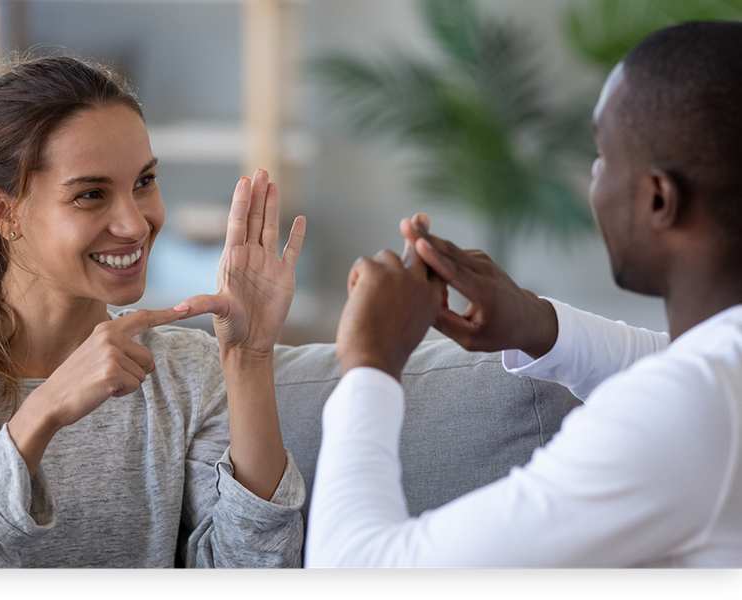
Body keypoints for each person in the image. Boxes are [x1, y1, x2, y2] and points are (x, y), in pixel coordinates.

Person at [305, 21, 742, 568]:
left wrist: (370, 364)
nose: (594, 180)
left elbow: (355, 561)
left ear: (659, 198)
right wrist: (538, 325)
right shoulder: (719, 377)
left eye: (602, 157)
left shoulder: (686, 411)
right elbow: (685, 367)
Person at [0, 54, 308, 568]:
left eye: (144, 181)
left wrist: (249, 360)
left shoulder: (186, 371)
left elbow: (253, 563)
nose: (135, 224)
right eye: (91, 194)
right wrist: (42, 413)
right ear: (3, 210)